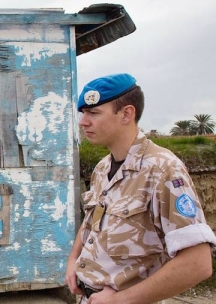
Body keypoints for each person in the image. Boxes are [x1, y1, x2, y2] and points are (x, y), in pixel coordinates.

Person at [65, 73, 216, 304]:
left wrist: (119, 300)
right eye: (83, 113)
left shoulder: (163, 170)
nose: (83, 121)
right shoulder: (103, 168)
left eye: (94, 113)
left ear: (127, 113)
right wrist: (74, 260)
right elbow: (91, 221)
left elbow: (198, 263)